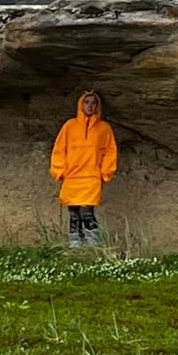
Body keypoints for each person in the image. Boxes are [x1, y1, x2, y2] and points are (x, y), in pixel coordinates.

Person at [50, 90, 118, 247]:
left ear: (98, 106)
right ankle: (76, 247)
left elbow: (110, 151)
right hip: (72, 177)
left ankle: (96, 246)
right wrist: (59, 171)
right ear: (81, 104)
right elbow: (59, 149)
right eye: (87, 102)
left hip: (91, 177)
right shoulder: (69, 126)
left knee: (86, 213)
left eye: (93, 103)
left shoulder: (104, 128)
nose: (90, 106)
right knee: (74, 214)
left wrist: (106, 172)